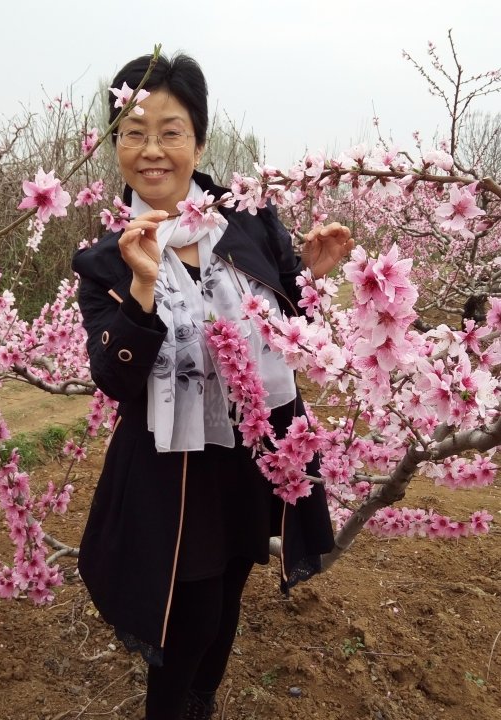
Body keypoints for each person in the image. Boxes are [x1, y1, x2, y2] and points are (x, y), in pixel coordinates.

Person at [72, 52, 354, 720]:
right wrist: (143, 287)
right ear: (116, 144)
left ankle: (201, 701)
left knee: (230, 585)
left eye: (170, 131)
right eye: (133, 133)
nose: (152, 150)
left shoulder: (249, 221)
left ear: (198, 142)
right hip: (171, 464)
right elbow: (114, 377)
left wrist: (311, 278)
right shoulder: (106, 259)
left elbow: (293, 333)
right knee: (191, 610)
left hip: (253, 446)